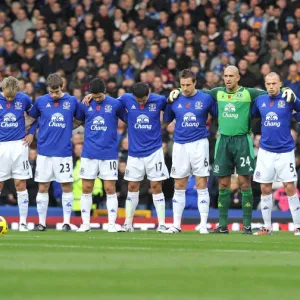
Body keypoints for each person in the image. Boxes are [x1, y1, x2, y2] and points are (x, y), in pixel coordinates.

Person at [169, 65, 296, 234]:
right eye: (225, 75)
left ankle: (247, 225)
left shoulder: (250, 93)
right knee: (223, 183)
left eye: (231, 76)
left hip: (242, 140)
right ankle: (222, 225)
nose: (228, 79)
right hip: (223, 141)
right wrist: (178, 90)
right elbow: (192, 91)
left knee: (245, 183)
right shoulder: (216, 93)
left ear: (238, 77)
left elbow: (272, 92)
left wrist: (287, 89)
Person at [84, 83, 170, 232]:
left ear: (149, 94)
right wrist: (92, 96)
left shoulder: (160, 100)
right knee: (132, 186)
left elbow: (171, 110)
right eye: (138, 101)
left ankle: (162, 224)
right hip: (134, 152)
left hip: (154, 151)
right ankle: (128, 224)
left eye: (144, 100)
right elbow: (107, 101)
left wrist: (176, 93)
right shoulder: (125, 99)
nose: (141, 103)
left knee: (156, 186)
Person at [163, 69, 217, 234]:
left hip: (199, 144)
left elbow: (216, 115)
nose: (185, 88)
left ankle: (203, 224)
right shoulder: (175, 99)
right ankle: (176, 225)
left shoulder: (206, 98)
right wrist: (170, 99)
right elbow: (166, 119)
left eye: (188, 84)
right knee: (179, 184)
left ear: (195, 83)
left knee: (201, 183)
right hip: (180, 145)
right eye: (182, 85)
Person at [26, 73, 79, 231]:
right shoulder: (41, 101)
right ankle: (41, 223)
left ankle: (67, 222)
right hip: (44, 151)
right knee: (43, 186)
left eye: (56, 91)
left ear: (62, 87)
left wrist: (70, 127)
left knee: (66, 186)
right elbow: (31, 119)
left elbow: (82, 117)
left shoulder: (71, 101)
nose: (54, 95)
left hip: (63, 152)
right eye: (51, 92)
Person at [75, 78, 126, 232]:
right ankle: (85, 224)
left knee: (110, 189)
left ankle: (111, 224)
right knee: (86, 188)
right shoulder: (84, 104)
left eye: (99, 97)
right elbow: (77, 121)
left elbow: (127, 118)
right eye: (94, 96)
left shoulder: (115, 104)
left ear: (105, 92)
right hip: (89, 152)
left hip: (109, 154)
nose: (97, 99)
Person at [252, 72, 300, 236]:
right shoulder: (260, 100)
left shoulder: (288, 98)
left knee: (290, 187)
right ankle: (266, 227)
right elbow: (253, 116)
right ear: (265, 85)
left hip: (285, 151)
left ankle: (298, 226)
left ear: (280, 84)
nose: (271, 86)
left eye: (274, 83)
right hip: (265, 151)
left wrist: (295, 99)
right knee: (265, 187)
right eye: (268, 84)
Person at [0, 76, 34, 231]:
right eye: (7, 96)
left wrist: (32, 133)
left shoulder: (24, 99)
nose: (9, 99)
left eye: (12, 97)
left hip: (19, 145)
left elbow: (36, 116)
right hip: (1, 146)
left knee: (20, 184)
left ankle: (22, 222)